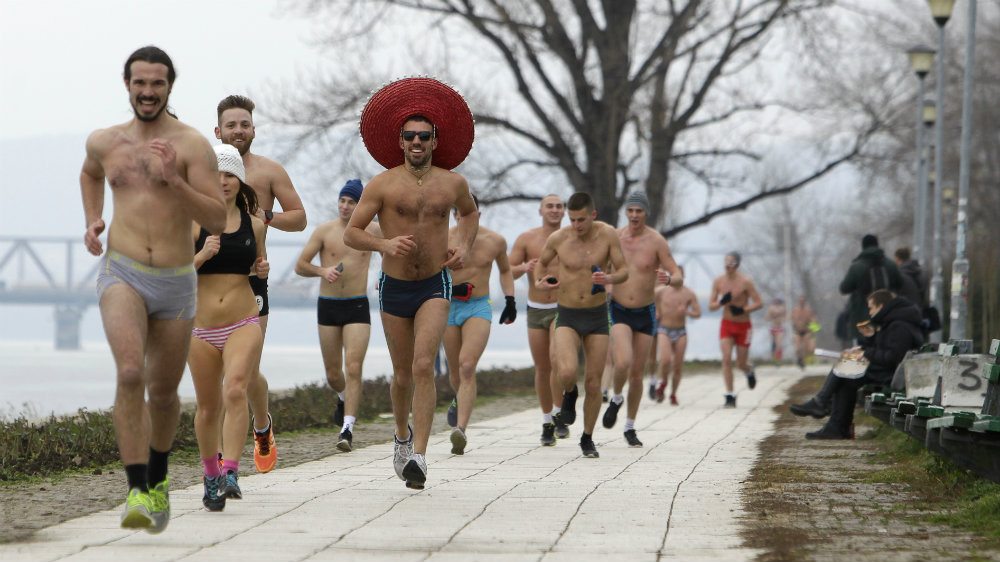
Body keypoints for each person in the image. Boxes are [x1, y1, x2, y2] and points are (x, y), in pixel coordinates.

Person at [80, 46, 227, 532]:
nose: (147, 92)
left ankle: (160, 478)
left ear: (169, 87)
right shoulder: (105, 141)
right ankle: (137, 490)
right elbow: (90, 172)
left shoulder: (192, 146)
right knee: (129, 373)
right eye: (140, 83)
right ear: (127, 85)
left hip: (176, 280)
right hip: (122, 271)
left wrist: (175, 183)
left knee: (163, 393)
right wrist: (93, 219)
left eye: (157, 83)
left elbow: (217, 218)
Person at [348, 77, 478, 489]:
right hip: (394, 286)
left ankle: (420, 456)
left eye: (424, 135)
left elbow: (469, 214)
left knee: (425, 365)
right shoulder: (382, 184)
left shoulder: (452, 182)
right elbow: (352, 232)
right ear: (400, 141)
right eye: (410, 136)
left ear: (435, 140)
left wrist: (464, 244)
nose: (417, 142)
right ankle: (401, 437)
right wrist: (384, 244)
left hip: (434, 284)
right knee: (402, 373)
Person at [215, 94, 308, 474]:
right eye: (231, 125)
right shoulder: (204, 173)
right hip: (211, 283)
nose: (238, 131)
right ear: (218, 131)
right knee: (222, 373)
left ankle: (262, 426)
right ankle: (222, 459)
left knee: (244, 370)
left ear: (253, 129)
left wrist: (265, 215)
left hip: (253, 281)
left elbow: (299, 218)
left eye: (244, 124)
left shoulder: (269, 171)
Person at [189, 145, 268, 511]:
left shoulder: (255, 224)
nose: (223, 181)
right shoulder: (192, 222)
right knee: (208, 407)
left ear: (240, 181)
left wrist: (261, 270)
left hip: (242, 320)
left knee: (235, 388)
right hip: (200, 328)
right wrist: (201, 255)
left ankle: (232, 471)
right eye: (216, 175)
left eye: (230, 175)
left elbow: (256, 267)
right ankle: (211, 475)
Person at [534, 192, 629, 458]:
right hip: (567, 314)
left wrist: (608, 278)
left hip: (597, 316)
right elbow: (541, 265)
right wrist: (541, 282)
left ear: (593, 215)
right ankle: (570, 393)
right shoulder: (559, 238)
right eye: (572, 219)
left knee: (594, 382)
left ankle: (587, 438)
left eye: (581, 220)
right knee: (565, 370)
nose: (576, 225)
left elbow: (624, 270)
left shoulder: (608, 235)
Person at [294, 179, 381, 452]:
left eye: (351, 202)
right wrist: (322, 271)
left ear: (360, 205)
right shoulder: (324, 231)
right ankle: (343, 397)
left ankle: (347, 428)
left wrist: (384, 276)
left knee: (353, 367)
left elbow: (394, 250)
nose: (345, 206)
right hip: (328, 305)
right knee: (333, 374)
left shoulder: (373, 230)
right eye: (342, 200)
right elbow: (300, 265)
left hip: (357, 305)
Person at [601, 191, 682, 447]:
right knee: (622, 362)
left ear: (646, 213)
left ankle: (630, 426)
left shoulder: (656, 241)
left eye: (639, 211)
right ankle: (616, 398)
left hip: (645, 313)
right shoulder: (615, 237)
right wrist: (606, 286)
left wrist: (669, 279)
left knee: (637, 374)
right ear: (626, 212)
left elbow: (677, 274)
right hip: (619, 309)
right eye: (631, 210)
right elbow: (602, 268)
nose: (634, 215)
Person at [443, 196, 517, 454]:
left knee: (467, 365)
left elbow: (505, 270)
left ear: (478, 215)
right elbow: (429, 271)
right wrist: (452, 288)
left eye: (470, 214)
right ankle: (459, 399)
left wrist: (510, 300)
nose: (465, 219)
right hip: (448, 307)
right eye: (460, 214)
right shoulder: (443, 238)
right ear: (454, 215)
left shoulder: (495, 241)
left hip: (478, 306)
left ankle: (460, 430)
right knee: (455, 372)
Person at [801, 289, 923, 439]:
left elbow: (892, 358)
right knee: (847, 373)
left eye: (871, 308)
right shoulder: (892, 322)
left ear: (881, 306)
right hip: (888, 371)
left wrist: (866, 353)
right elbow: (885, 350)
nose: (870, 312)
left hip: (892, 376)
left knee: (846, 368)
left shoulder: (899, 326)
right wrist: (869, 340)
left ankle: (823, 405)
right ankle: (834, 423)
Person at [509, 195, 571, 445]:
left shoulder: (572, 238)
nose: (554, 210)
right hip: (536, 308)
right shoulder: (527, 239)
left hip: (563, 307)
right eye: (550, 206)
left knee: (557, 361)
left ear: (564, 212)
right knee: (542, 367)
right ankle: (547, 421)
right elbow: (508, 270)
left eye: (559, 206)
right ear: (541, 210)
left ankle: (558, 412)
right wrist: (524, 267)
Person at [708, 252, 763, 407]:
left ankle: (749, 371)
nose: (727, 266)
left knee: (740, 363)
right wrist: (721, 302)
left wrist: (743, 310)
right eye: (726, 262)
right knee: (726, 359)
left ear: (737, 265)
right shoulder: (718, 281)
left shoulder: (745, 282)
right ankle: (730, 395)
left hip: (744, 326)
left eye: (731, 263)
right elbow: (711, 306)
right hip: (727, 324)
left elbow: (759, 302)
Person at [838, 234, 902, 343]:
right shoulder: (890, 265)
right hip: (888, 317)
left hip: (863, 318)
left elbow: (844, 288)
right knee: (886, 346)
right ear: (877, 245)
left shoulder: (856, 266)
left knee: (864, 348)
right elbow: (900, 284)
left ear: (863, 247)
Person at [653, 265, 701, 405]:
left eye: (679, 275)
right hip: (664, 329)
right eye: (674, 275)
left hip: (680, 331)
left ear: (683, 277)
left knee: (677, 366)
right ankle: (662, 383)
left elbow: (698, 313)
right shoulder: (661, 291)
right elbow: (649, 300)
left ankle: (673, 394)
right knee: (665, 360)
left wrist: (686, 312)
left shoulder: (689, 294)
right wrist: (656, 311)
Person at [791, 296, 818, 369]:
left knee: (807, 348)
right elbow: (792, 320)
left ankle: (803, 360)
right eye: (800, 301)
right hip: (797, 332)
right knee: (797, 348)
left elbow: (814, 322)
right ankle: (799, 359)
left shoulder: (808, 311)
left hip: (806, 332)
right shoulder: (795, 310)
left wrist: (812, 331)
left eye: (803, 301)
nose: (801, 303)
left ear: (805, 302)